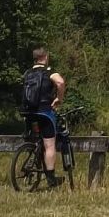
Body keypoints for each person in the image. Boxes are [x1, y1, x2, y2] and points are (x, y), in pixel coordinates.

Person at [20, 48, 66, 188]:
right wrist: (59, 99)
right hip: (44, 112)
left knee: (35, 139)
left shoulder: (27, 73)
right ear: (45, 57)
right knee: (49, 145)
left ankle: (32, 155)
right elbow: (60, 82)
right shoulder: (49, 72)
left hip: (28, 113)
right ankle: (51, 179)